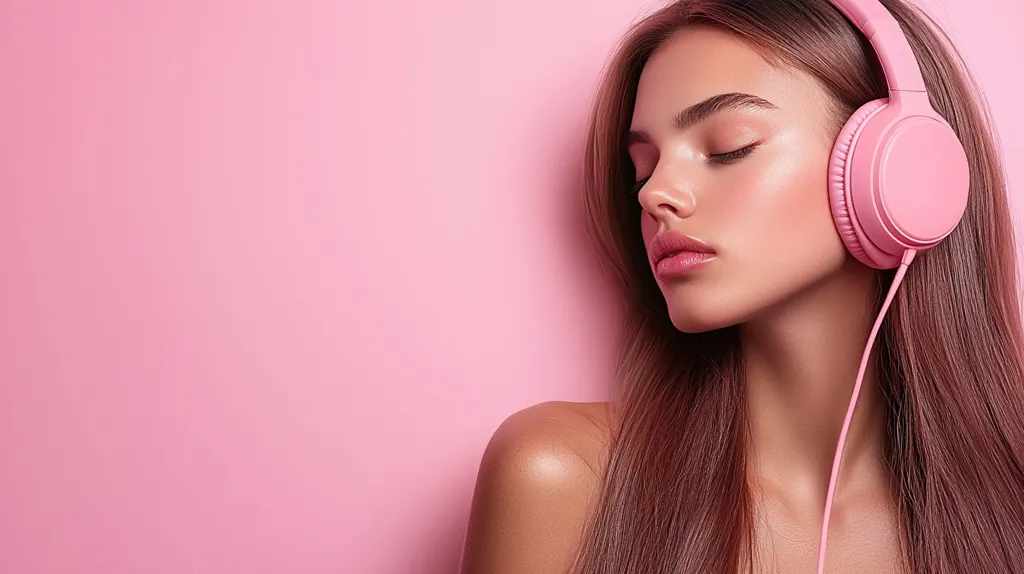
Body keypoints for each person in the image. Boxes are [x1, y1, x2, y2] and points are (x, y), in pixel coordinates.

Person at [459, 0, 1024, 572]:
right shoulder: (563, 477)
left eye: (729, 145)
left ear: (898, 170)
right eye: (643, 167)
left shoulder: (1008, 509)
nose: (656, 194)